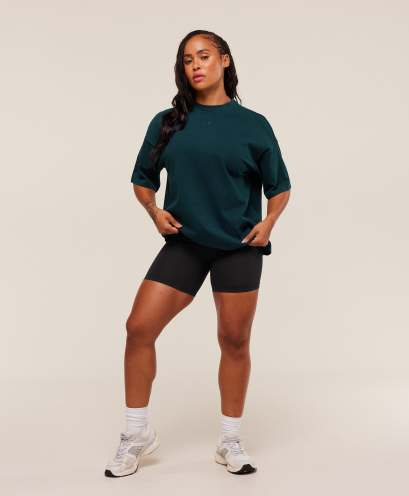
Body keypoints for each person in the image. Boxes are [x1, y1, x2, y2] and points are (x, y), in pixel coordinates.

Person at [104, 29, 291, 478]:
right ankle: (136, 434)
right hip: (186, 243)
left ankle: (230, 440)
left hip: (238, 247)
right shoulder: (167, 122)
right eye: (187, 60)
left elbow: (280, 186)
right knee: (138, 328)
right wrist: (154, 211)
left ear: (224, 60)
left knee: (234, 340)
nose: (195, 66)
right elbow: (142, 179)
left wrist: (268, 222)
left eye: (203, 56)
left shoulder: (253, 125)